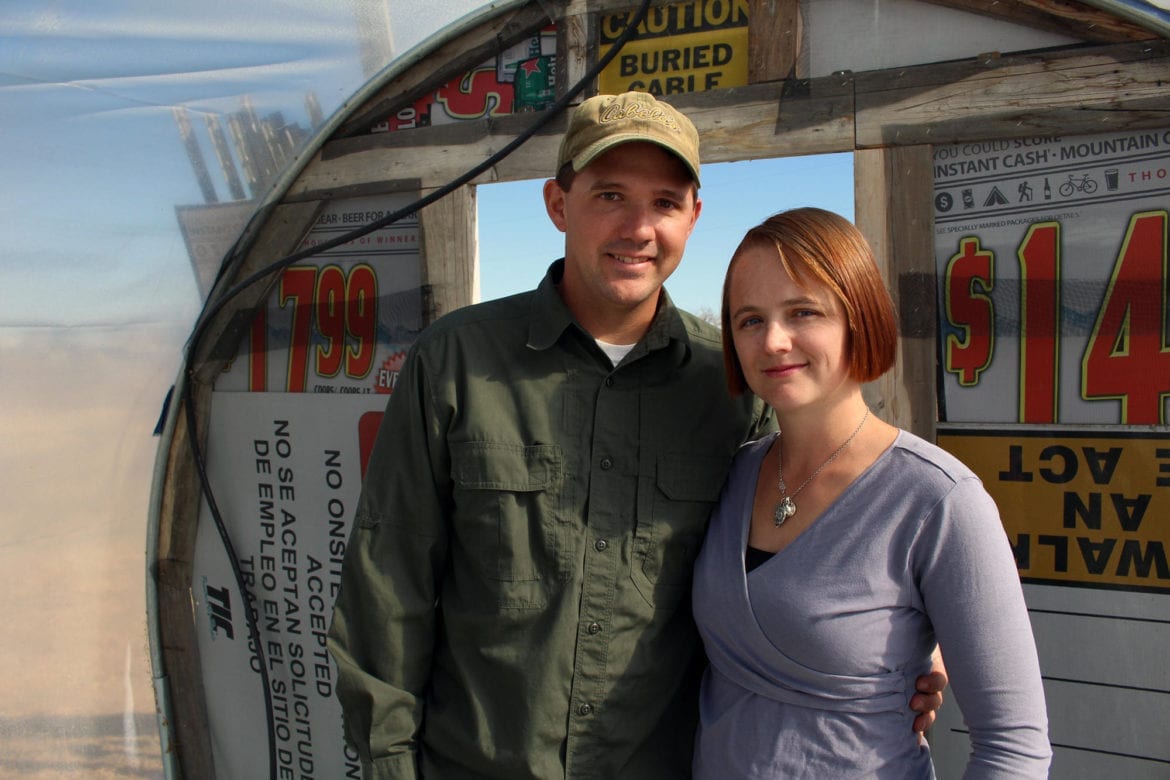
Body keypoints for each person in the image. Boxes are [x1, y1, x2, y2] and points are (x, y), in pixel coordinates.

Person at [327, 92, 945, 779]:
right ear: (559, 204)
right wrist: (390, 765)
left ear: (694, 218)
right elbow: (388, 585)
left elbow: (810, 544)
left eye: (665, 202)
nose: (638, 227)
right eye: (611, 195)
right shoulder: (456, 362)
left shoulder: (734, 385)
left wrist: (915, 639)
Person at [692, 207, 1051, 778]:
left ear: (859, 318)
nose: (774, 341)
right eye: (749, 320)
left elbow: (1014, 748)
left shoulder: (939, 500)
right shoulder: (732, 475)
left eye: (803, 311)